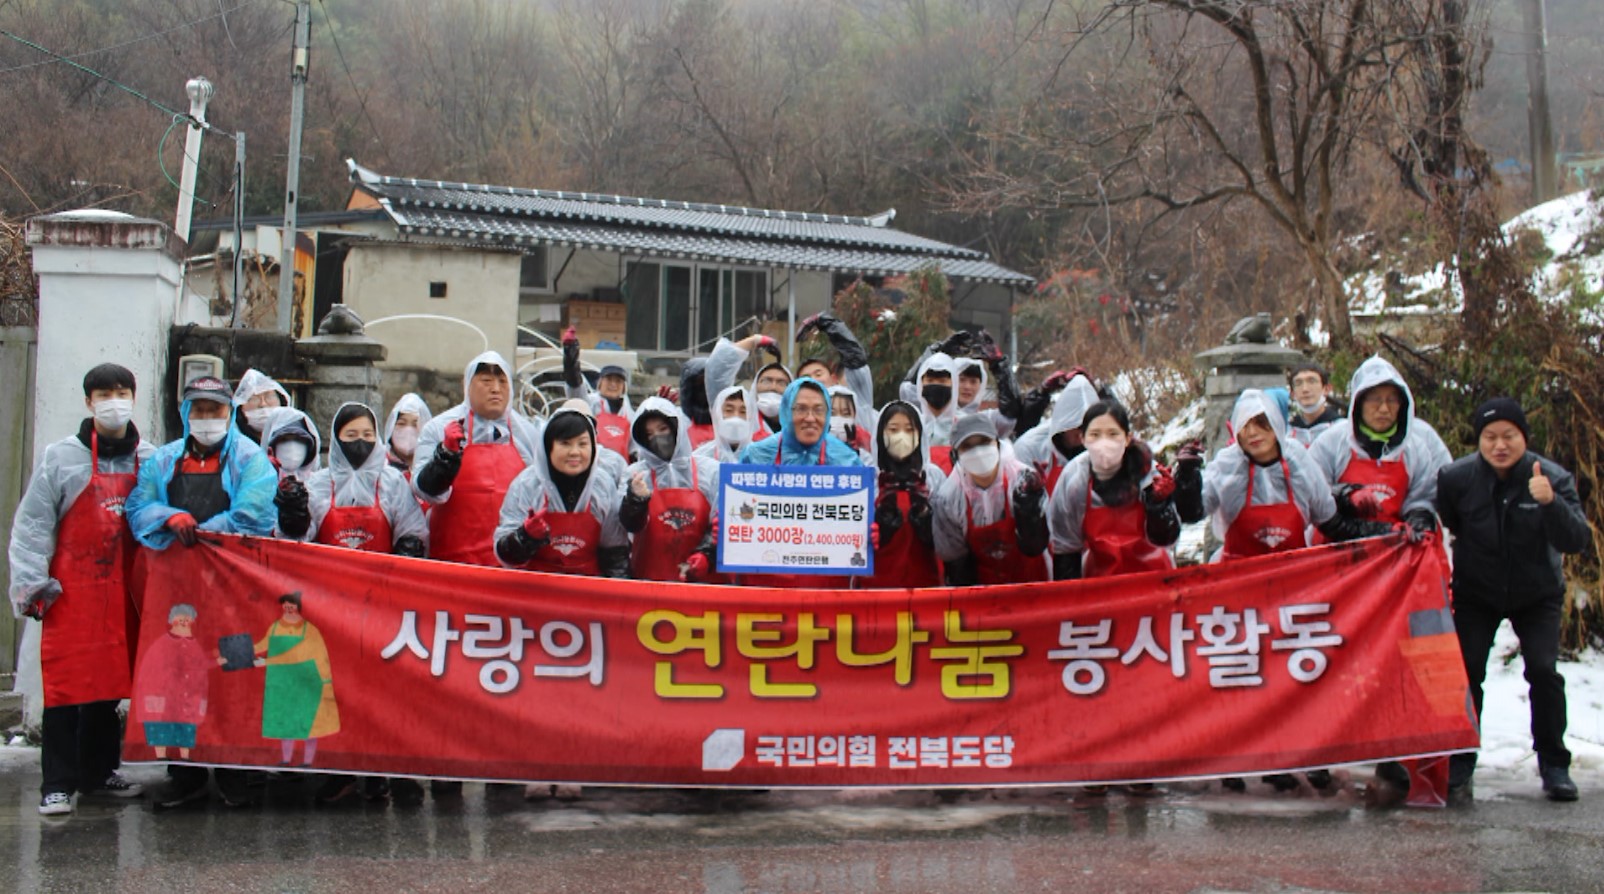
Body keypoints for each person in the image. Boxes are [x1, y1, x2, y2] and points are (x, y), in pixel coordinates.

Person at [1204, 389, 1396, 794]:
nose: (1254, 434)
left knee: (1295, 673)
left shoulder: (1299, 462)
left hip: (1295, 587)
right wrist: (1184, 484)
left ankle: (1299, 754)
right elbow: (1194, 509)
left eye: (1262, 424)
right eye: (1245, 427)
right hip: (1239, 586)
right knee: (1241, 674)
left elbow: (1330, 520)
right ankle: (1235, 755)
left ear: (1277, 425)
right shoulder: (1227, 467)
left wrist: (1386, 535)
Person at [125, 375, 277, 809]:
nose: (208, 419)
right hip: (176, 588)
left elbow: (253, 515)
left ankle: (235, 771)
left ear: (230, 414)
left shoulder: (250, 458)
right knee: (179, 676)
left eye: (217, 410)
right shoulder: (164, 460)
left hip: (234, 588)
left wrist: (204, 533)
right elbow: (138, 506)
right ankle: (184, 773)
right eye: (201, 410)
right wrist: (170, 517)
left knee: (235, 669)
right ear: (186, 413)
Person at [8, 363, 155, 815]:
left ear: (134, 396)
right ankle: (58, 782)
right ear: (88, 402)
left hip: (126, 594)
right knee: (67, 687)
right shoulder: (60, 458)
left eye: (122, 391)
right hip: (71, 594)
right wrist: (32, 584)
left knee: (109, 685)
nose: (114, 400)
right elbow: (33, 525)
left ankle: (98, 773)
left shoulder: (150, 458)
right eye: (104, 393)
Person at [1437, 398, 1591, 803]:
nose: (1499, 445)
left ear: (1524, 437)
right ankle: (1460, 760)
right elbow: (1450, 521)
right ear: (1479, 440)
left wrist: (1550, 503)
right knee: (1467, 672)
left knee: (1542, 670)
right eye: (1490, 437)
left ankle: (1555, 764)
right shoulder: (1456, 478)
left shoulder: (1551, 477)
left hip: (1536, 593)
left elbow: (1576, 539)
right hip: (1477, 592)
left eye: (1509, 436)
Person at [413, 351, 541, 566]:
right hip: (450, 562)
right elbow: (422, 490)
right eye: (486, 381)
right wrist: (445, 457)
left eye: (502, 381)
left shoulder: (528, 435)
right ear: (467, 385)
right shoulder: (438, 428)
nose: (496, 389)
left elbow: (539, 493)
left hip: (511, 565)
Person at [1308, 356, 1451, 540]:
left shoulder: (1417, 445)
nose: (1384, 409)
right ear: (1359, 403)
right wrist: (1345, 495)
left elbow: (1424, 496)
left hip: (1394, 550)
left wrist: (1418, 520)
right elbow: (1312, 492)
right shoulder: (1331, 442)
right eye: (1375, 400)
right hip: (1337, 550)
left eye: (1392, 401)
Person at [1046, 401, 1184, 580]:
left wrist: (1159, 505)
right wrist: (1071, 601)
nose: (1104, 443)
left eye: (1113, 434)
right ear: (1083, 439)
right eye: (1095, 435)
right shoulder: (1075, 479)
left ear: (1127, 438)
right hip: (1101, 583)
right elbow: (1066, 547)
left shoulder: (1149, 473)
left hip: (1154, 580)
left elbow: (1167, 538)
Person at [494, 405, 630, 577]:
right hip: (536, 589)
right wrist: (524, 538)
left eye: (582, 444)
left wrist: (617, 596)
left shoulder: (602, 487)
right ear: (548, 447)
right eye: (565, 443)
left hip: (587, 590)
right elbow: (504, 556)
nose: (575, 452)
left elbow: (615, 552)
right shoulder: (527, 485)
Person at [288, 402, 428, 557]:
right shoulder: (319, 484)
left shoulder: (393, 482)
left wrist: (408, 551)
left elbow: (412, 528)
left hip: (380, 578)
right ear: (337, 438)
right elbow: (296, 541)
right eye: (351, 435)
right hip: (326, 578)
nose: (360, 440)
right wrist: (293, 515)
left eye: (367, 434)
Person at [932, 414, 1048, 585]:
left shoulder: (1023, 481)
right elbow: (956, 561)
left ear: (997, 443)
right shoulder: (949, 497)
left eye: (984, 442)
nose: (978, 452)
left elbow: (1037, 545)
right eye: (967, 446)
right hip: (983, 589)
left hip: (1031, 582)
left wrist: (1030, 515)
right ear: (956, 454)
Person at [619, 397, 721, 582]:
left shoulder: (711, 471)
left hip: (703, 584)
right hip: (650, 585)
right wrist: (635, 500)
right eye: (649, 434)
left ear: (676, 429)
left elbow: (721, 522)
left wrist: (705, 556)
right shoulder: (634, 474)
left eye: (662, 429)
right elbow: (626, 527)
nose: (657, 438)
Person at [250, 593, 340, 775]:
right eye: (286, 606)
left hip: (306, 683)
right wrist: (243, 651)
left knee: (309, 725)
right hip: (282, 683)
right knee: (286, 725)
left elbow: (296, 655)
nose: (288, 609)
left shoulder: (310, 631)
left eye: (292, 606)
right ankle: (286, 760)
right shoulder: (276, 627)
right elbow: (263, 644)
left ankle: (307, 762)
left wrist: (266, 662)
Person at [858, 401, 945, 589]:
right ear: (880, 434)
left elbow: (951, 531)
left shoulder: (932, 476)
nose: (901, 437)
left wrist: (930, 529)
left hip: (926, 586)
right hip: (876, 588)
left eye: (909, 430)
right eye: (893, 429)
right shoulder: (868, 477)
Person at [130, 604, 211, 762]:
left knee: (186, 728)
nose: (183, 621)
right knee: (161, 728)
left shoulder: (194, 646)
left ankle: (185, 758)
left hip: (187, 697)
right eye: (180, 618)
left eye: (187, 619)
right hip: (163, 695)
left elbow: (201, 665)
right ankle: (161, 757)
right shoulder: (160, 644)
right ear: (172, 620)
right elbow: (150, 671)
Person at [1012, 372, 1102, 494]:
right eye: (1077, 426)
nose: (1082, 434)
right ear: (1065, 421)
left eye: (1089, 428)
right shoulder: (1030, 448)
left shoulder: (1101, 449)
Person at [561, 326, 634, 458]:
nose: (613, 384)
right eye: (609, 379)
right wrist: (570, 357)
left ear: (624, 387)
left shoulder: (629, 413)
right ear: (599, 384)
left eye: (618, 381)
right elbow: (575, 386)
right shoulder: (590, 403)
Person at [706, 333, 789, 439]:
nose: (773, 387)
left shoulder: (801, 428)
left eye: (781, 383)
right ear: (754, 387)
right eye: (766, 381)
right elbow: (716, 371)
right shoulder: (742, 418)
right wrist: (754, 341)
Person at [258, 407, 321, 541]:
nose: (292, 446)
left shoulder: (321, 484)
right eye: (285, 439)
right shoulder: (255, 481)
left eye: (299, 440)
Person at [1287, 361, 1343, 449]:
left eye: (1312, 381)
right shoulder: (1287, 432)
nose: (1305, 389)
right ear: (1292, 394)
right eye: (1298, 383)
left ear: (1326, 389)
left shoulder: (1342, 429)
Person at [695, 385, 754, 464]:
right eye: (729, 410)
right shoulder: (700, 457)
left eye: (743, 412)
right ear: (717, 415)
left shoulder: (762, 457)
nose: (736, 417)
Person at [232, 369, 292, 445]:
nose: (263, 404)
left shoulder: (293, 437)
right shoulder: (234, 443)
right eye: (254, 399)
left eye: (269, 396)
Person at [383, 393, 433, 479]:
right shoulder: (380, 466)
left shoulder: (435, 467)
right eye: (401, 424)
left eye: (415, 424)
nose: (408, 430)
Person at [828, 386, 874, 458]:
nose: (838, 419)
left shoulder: (864, 454)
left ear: (855, 416)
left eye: (846, 414)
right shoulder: (812, 451)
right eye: (832, 414)